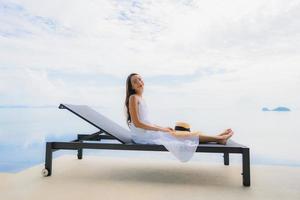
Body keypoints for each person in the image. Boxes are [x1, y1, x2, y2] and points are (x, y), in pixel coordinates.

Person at [124, 73, 234, 162]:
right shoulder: (133, 98)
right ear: (132, 87)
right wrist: (162, 129)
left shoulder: (140, 98)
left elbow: (146, 121)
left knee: (179, 135)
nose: (139, 82)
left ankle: (217, 137)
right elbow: (137, 123)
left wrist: (163, 127)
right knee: (179, 136)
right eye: (135, 81)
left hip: (146, 132)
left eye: (140, 79)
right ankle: (219, 138)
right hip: (142, 136)